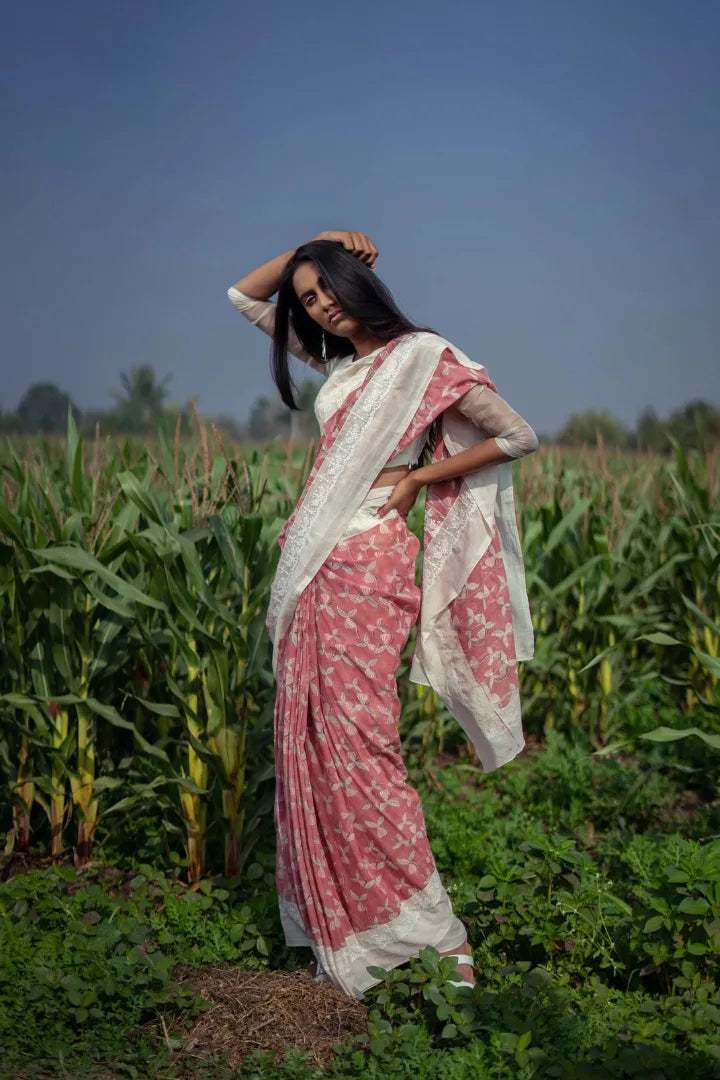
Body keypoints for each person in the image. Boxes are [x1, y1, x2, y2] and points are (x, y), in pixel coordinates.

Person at [228, 230, 538, 999]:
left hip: (369, 558)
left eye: (327, 288)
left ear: (357, 281)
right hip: (314, 565)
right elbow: (242, 298)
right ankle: (354, 929)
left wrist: (419, 478)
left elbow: (516, 434)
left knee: (362, 743)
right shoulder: (340, 365)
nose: (320, 307)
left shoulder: (423, 357)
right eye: (306, 300)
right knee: (315, 739)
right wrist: (320, 234)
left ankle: (438, 936)